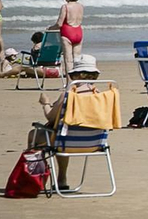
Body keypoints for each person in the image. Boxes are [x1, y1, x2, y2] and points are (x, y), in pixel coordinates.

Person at [30, 55, 110, 191]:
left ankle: (37, 179)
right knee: (62, 134)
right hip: (94, 143)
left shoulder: (69, 95)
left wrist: (45, 103)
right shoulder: (102, 96)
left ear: (76, 76)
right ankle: (61, 180)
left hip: (66, 143)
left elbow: (50, 117)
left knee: (35, 134)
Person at [54, 0, 85, 75]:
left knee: (68, 60)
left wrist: (50, 28)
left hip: (68, 33)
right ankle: (78, 81)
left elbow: (59, 23)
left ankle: (69, 83)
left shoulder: (65, 7)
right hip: (78, 32)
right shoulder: (81, 6)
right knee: (77, 59)